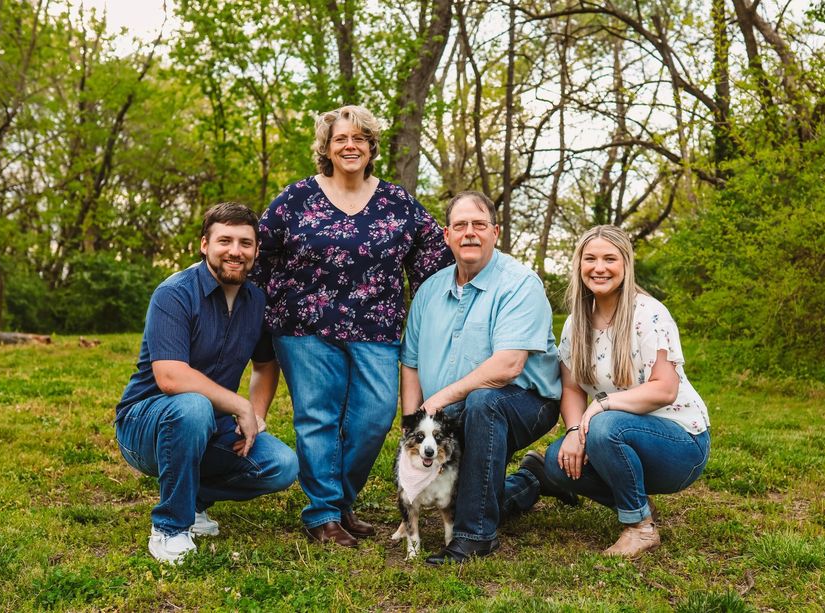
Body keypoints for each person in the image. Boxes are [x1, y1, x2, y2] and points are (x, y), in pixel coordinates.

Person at [252, 105, 452, 547]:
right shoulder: (295, 198)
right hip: (302, 324)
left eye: (359, 138)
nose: (350, 145)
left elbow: (435, 258)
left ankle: (339, 501)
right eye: (340, 138)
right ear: (325, 147)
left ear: (371, 147)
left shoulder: (397, 202)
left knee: (376, 417)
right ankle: (323, 513)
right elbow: (259, 256)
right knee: (317, 418)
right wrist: (250, 313)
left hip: (376, 327)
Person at [115, 203, 298, 564]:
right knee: (193, 406)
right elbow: (170, 377)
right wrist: (239, 405)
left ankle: (192, 501)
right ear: (204, 245)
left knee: (281, 463)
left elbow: (265, 365)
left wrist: (256, 417)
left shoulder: (256, 301)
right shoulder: (174, 293)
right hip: (145, 426)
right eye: (224, 241)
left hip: (211, 426)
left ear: (256, 251)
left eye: (245, 243)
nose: (235, 251)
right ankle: (169, 528)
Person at [400, 190, 574, 565]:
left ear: (496, 232)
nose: (470, 233)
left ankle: (475, 536)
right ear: (446, 235)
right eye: (460, 225)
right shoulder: (429, 292)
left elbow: (508, 366)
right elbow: (411, 363)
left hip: (523, 403)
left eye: (479, 225)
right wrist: (415, 424)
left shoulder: (519, 284)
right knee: (471, 492)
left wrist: (440, 401)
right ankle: (531, 480)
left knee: (483, 403)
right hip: (450, 411)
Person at [520, 224, 710, 558]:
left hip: (681, 445)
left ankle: (640, 529)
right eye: (590, 258)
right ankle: (637, 504)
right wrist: (575, 430)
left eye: (610, 258)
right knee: (556, 461)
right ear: (579, 265)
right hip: (620, 435)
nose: (599, 267)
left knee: (605, 427)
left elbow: (665, 389)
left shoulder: (648, 314)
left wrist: (601, 407)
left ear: (626, 264)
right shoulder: (576, 323)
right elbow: (572, 386)